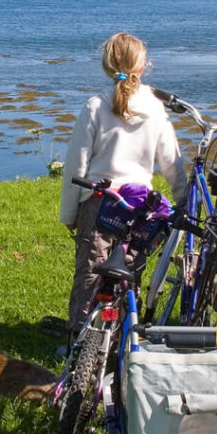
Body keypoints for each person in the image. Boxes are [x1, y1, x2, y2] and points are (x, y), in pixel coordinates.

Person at [59, 33, 187, 336]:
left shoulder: (95, 106)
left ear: (106, 65)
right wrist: (182, 202)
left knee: (91, 271)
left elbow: (75, 166)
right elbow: (172, 163)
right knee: (130, 270)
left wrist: (69, 214)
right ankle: (124, 333)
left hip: (100, 201)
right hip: (139, 207)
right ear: (142, 67)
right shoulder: (156, 109)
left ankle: (80, 336)